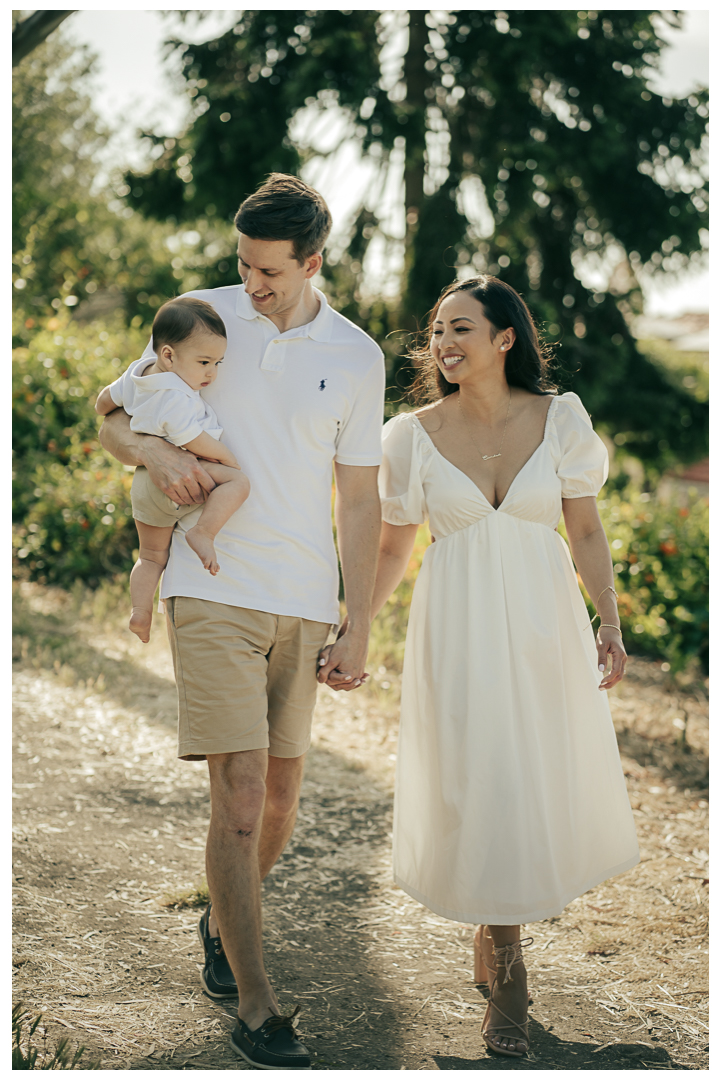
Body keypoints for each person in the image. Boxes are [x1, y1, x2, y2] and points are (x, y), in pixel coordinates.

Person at [98, 173, 385, 1070]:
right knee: (243, 793)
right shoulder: (198, 317)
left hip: (304, 599)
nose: (251, 286)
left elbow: (361, 497)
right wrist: (147, 447)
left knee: (284, 799)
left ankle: (227, 922)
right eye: (243, 266)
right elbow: (111, 412)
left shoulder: (356, 354)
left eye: (268, 272)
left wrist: (361, 621)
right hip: (209, 579)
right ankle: (257, 1007)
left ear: (312, 261)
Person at [369, 275, 639, 1059]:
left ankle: (508, 969)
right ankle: (503, 951)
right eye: (436, 331)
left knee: (521, 777)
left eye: (461, 328)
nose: (444, 344)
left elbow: (584, 529)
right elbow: (394, 544)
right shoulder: (409, 434)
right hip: (455, 624)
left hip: (540, 623)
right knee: (478, 774)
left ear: (505, 337)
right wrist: (356, 630)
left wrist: (609, 621)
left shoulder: (562, 420)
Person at [95, 297, 251, 643]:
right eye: (205, 362)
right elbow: (191, 438)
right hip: (184, 471)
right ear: (168, 355)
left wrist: (118, 406)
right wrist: (228, 459)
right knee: (238, 483)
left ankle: (140, 611)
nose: (212, 373)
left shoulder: (138, 372)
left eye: (218, 363)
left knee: (150, 556)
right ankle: (204, 533)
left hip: (144, 483)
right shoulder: (175, 393)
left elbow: (103, 403)